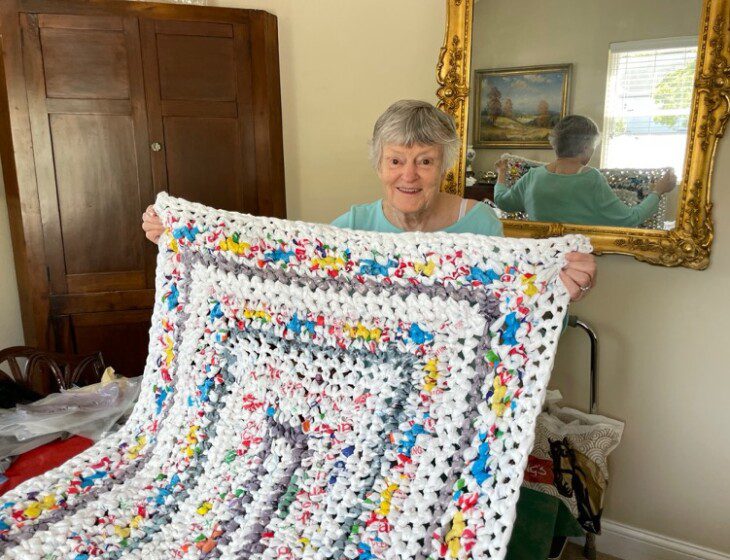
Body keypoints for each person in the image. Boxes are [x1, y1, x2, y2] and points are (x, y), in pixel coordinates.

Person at [142, 100, 596, 301]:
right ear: (378, 165)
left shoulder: (482, 226)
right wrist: (183, 236)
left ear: (445, 167)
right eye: (396, 160)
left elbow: (514, 299)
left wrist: (562, 281)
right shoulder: (351, 227)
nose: (409, 176)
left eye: (425, 161)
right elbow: (278, 266)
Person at [493, 115, 676, 227]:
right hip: (581, 263)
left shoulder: (533, 177)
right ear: (587, 149)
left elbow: (502, 201)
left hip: (541, 262)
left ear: (556, 145)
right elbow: (629, 219)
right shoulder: (592, 179)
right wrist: (658, 191)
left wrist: (502, 173)